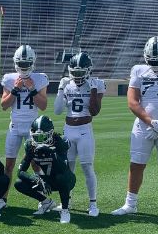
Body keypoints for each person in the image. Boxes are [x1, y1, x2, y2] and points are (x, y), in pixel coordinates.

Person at [111, 36, 158, 220]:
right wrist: (151, 122)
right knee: (136, 165)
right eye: (151, 60)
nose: (154, 63)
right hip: (143, 126)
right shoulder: (138, 70)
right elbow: (132, 101)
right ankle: (130, 204)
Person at [54, 52, 105, 216]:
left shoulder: (96, 83)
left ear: (88, 71)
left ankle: (93, 204)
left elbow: (95, 111)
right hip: (68, 130)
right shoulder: (67, 84)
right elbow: (57, 111)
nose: (76, 76)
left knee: (87, 167)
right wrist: (61, 89)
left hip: (84, 130)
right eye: (74, 73)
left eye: (80, 73)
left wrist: (93, 89)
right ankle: (66, 201)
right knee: (68, 168)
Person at [0, 44, 49, 210]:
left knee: (36, 165)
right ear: (15, 63)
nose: (24, 68)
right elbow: (3, 106)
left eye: (27, 64)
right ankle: (3, 199)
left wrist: (32, 89)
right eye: (21, 64)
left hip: (33, 129)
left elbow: (43, 106)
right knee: (9, 165)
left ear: (33, 63)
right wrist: (15, 89)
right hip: (14, 126)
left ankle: (44, 200)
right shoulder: (9, 78)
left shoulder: (40, 78)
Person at [14, 115, 75, 224]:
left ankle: (65, 210)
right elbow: (20, 172)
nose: (39, 141)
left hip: (64, 179)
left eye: (42, 137)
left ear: (51, 134)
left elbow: (64, 169)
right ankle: (46, 202)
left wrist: (51, 153)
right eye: (36, 137)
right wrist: (37, 179)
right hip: (45, 179)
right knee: (19, 184)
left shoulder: (59, 142)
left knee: (61, 177)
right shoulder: (30, 145)